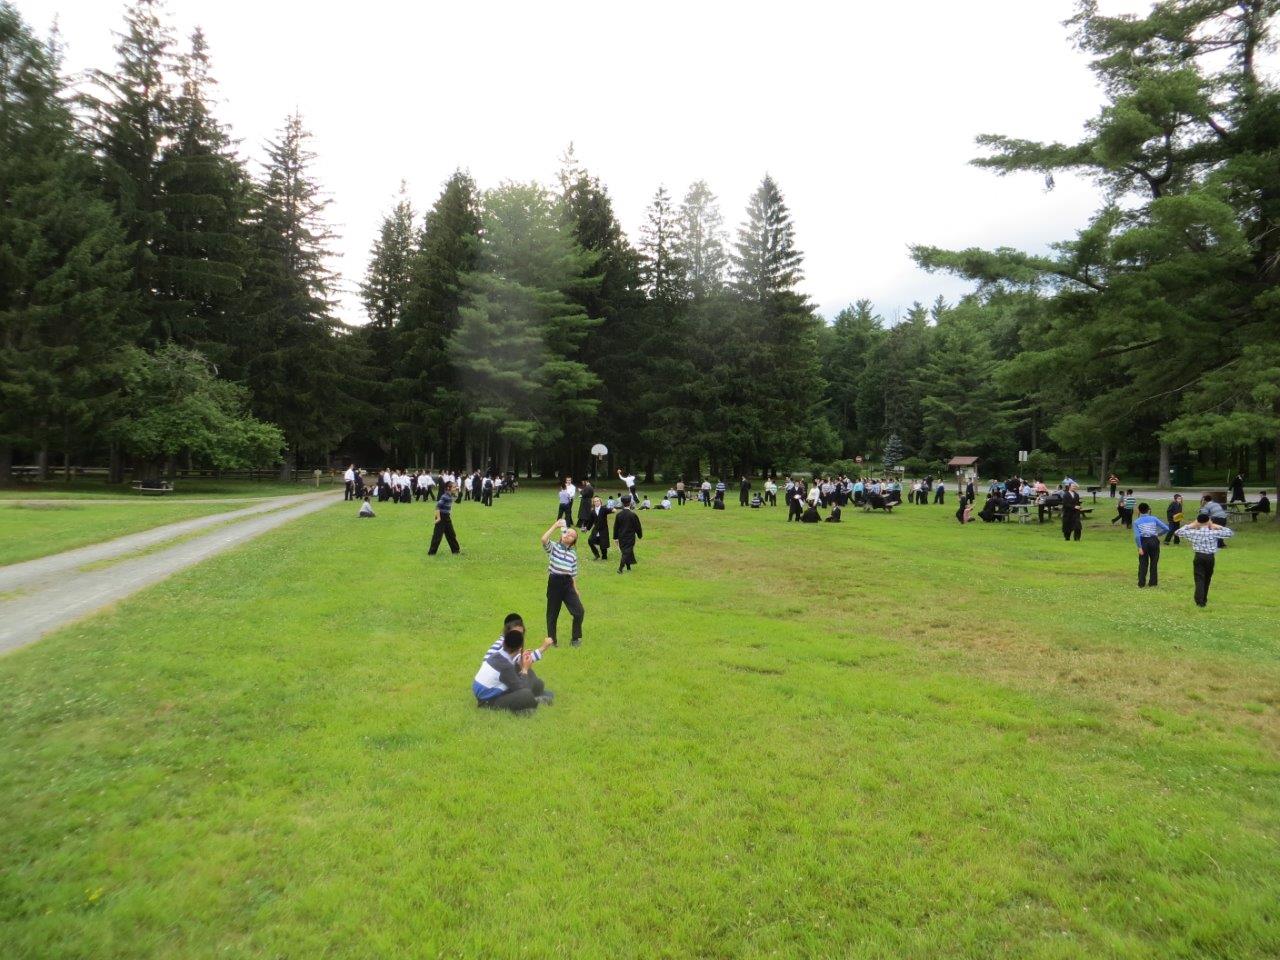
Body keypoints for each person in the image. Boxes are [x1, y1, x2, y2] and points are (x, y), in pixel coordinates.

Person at [473, 629, 552, 711]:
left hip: (491, 691)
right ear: (519, 648)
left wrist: (521, 663)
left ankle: (536, 694)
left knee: (531, 678)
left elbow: (513, 672)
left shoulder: (497, 655)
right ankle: (534, 699)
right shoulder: (505, 666)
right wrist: (525, 669)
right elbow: (523, 688)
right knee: (526, 694)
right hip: (488, 701)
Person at [1175, 511, 1235, 607]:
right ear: (1208, 521)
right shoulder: (1213, 533)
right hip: (1210, 557)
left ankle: (1199, 601)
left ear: (1198, 521)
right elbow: (1230, 533)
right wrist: (1217, 526)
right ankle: (1204, 599)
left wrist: (1191, 525)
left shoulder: (1194, 532)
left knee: (1199, 578)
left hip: (1199, 556)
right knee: (1207, 578)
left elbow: (1177, 532)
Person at [542, 519, 585, 647]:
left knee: (579, 611)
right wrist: (555, 526)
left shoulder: (573, 553)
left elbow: (573, 573)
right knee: (552, 613)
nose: (568, 535)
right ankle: (552, 640)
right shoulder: (554, 547)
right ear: (562, 534)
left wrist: (575, 588)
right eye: (567, 533)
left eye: (572, 536)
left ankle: (575, 638)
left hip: (568, 584)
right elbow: (544, 540)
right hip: (555, 582)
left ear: (574, 541)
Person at [1132, 503, 1169, 588]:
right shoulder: (1153, 518)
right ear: (1148, 510)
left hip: (1143, 541)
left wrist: (1139, 547)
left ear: (1139, 510)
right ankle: (1153, 582)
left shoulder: (1136, 522)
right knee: (1154, 562)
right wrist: (1158, 534)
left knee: (1143, 563)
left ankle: (1141, 583)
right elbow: (1166, 528)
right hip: (1154, 540)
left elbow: (1137, 536)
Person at [612, 494, 643, 573]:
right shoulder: (633, 515)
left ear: (622, 503)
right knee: (626, 552)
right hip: (630, 537)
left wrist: (615, 537)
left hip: (621, 537)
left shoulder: (619, 515)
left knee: (626, 551)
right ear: (630, 503)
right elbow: (637, 526)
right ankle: (620, 568)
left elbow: (616, 527)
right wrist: (639, 535)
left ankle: (628, 567)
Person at [428, 481, 461, 555]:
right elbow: (437, 507)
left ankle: (456, 551)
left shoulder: (450, 495)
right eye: (454, 487)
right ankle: (431, 553)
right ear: (448, 488)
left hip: (446, 517)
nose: (455, 488)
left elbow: (457, 498)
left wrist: (458, 490)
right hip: (441, 516)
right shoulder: (445, 496)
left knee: (451, 534)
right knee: (437, 536)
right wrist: (438, 518)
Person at [586, 496, 611, 561]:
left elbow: (610, 510)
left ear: (600, 502)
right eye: (595, 501)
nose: (596, 502)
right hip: (596, 529)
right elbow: (590, 522)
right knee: (590, 540)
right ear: (593, 503)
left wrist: (613, 510)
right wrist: (587, 528)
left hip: (603, 529)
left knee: (603, 543)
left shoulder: (604, 509)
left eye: (598, 501)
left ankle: (604, 557)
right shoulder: (592, 511)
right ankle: (596, 555)